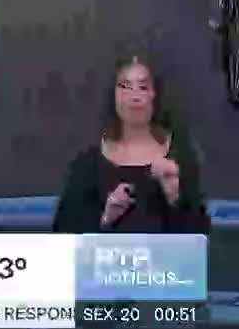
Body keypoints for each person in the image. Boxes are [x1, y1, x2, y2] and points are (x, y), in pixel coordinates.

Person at [52, 57, 210, 233]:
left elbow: (201, 232)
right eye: (125, 87)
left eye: (143, 87)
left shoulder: (180, 156)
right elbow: (64, 229)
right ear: (113, 96)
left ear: (155, 96)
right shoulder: (88, 163)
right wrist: (106, 218)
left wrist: (174, 196)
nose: (134, 96)